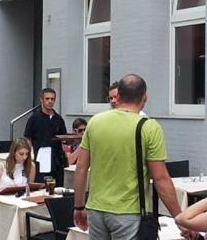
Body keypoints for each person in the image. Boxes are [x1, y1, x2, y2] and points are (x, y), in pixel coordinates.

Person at [72, 74, 190, 238]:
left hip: (96, 210)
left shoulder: (95, 122)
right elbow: (161, 179)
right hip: (129, 213)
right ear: (145, 97)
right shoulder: (149, 127)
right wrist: (180, 218)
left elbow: (81, 168)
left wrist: (78, 207)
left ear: (118, 96)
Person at [23, 87, 68, 187]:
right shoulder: (34, 118)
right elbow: (28, 138)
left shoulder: (59, 119)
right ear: (41, 99)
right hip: (41, 156)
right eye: (47, 99)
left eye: (52, 99)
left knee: (57, 185)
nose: (50, 101)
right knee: (42, 184)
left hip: (57, 158)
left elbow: (63, 137)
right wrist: (30, 155)